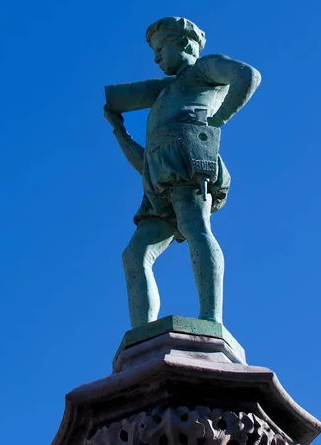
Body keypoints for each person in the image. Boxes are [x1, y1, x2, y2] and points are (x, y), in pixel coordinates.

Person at [104, 17, 261, 328]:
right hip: (161, 183)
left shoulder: (203, 69)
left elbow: (247, 75)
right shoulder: (164, 94)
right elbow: (147, 164)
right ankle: (143, 334)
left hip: (190, 164)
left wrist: (215, 122)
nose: (156, 57)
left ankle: (210, 318)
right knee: (134, 255)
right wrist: (119, 133)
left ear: (184, 43)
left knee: (195, 226)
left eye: (161, 48)